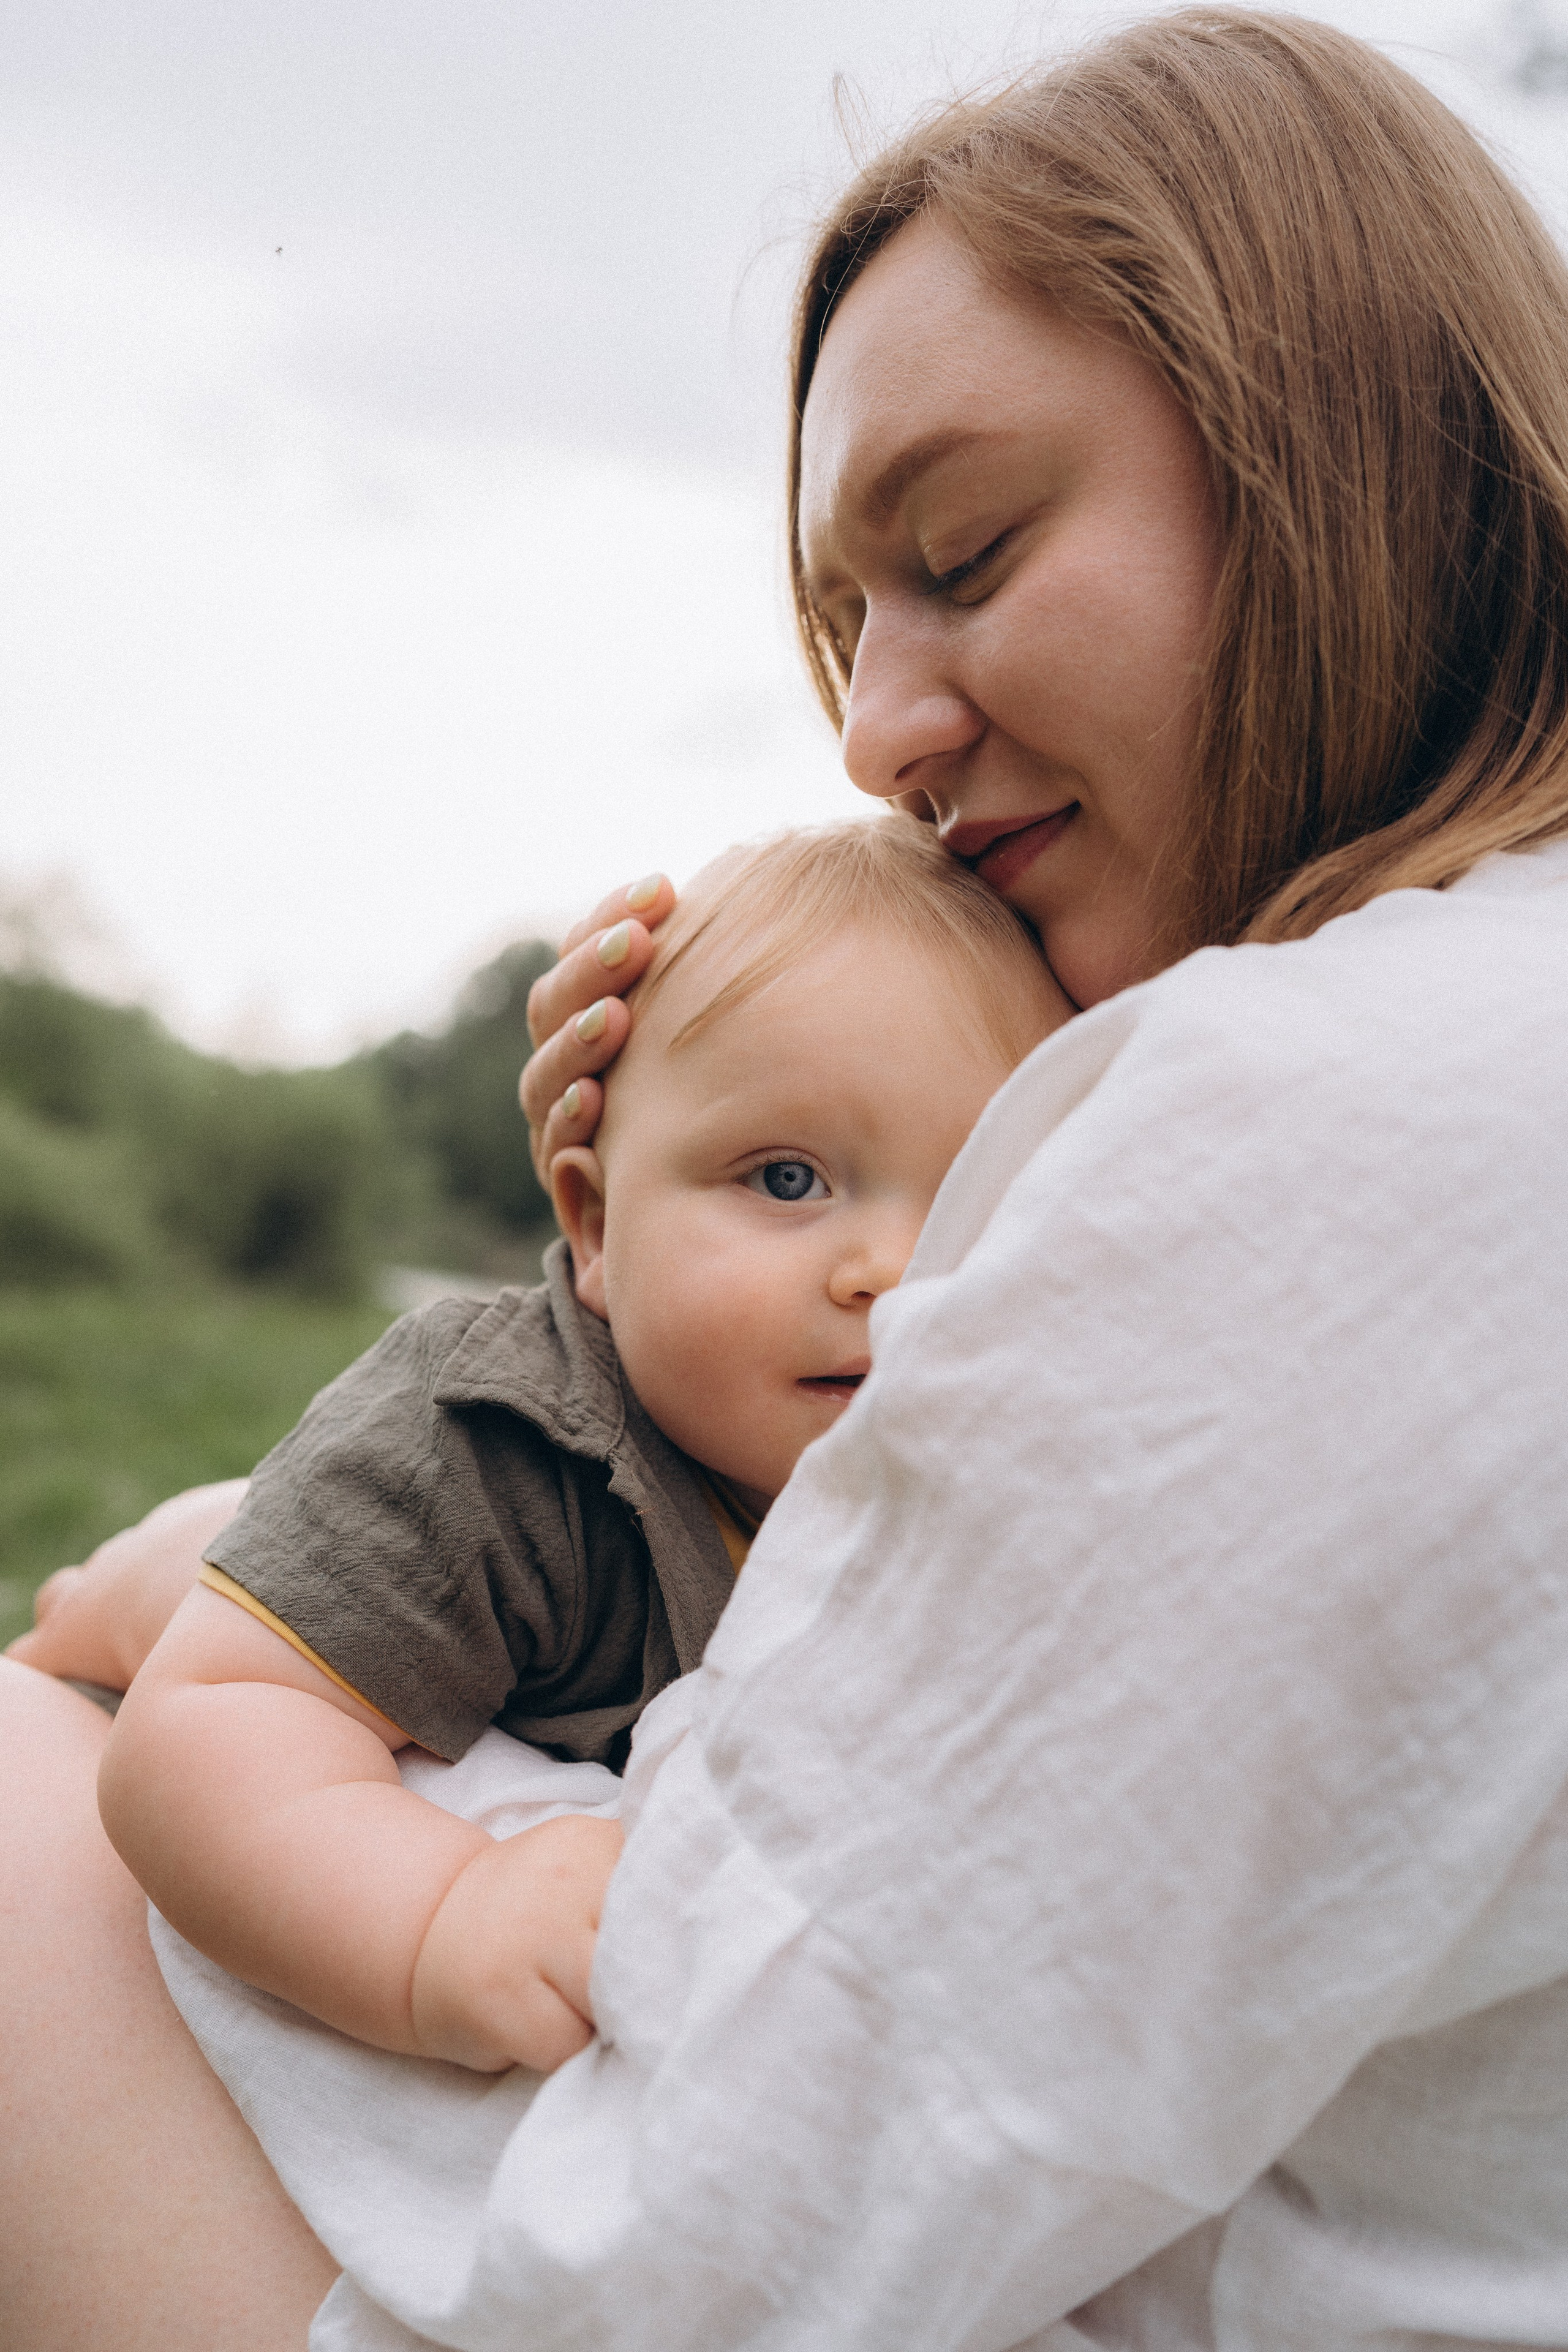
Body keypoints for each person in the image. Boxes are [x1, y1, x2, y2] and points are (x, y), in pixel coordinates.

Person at [6, 10, 1568, 2346]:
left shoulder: (1350, 1117)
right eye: (854, 623)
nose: (872, 727)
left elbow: (715, 2206)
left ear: (1347, 443)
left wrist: (265, 1623)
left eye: (967, 550)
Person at [94, 820, 1066, 2077]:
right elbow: (208, 1727)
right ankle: (109, 1589)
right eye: (784, 1180)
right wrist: (439, 1920)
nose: (892, 1274)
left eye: (981, 1207)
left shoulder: (1002, 1485)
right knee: (184, 1595)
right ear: (595, 1223)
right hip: (258, 1604)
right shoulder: (498, 1437)